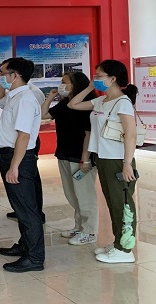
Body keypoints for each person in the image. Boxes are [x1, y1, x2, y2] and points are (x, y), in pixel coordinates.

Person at [68, 60, 139, 264]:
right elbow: (73, 104)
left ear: (113, 78)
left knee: (122, 204)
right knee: (112, 202)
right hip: (103, 158)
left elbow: (131, 135)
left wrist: (127, 163)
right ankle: (118, 243)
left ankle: (125, 249)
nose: (95, 79)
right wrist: (90, 87)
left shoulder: (122, 102)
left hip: (117, 160)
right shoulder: (101, 101)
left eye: (99, 76)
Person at [0, 58, 44, 272]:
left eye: (3, 73)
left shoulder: (25, 99)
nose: (0, 77)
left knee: (27, 210)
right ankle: (25, 245)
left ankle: (35, 258)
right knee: (20, 207)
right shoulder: (13, 96)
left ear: (15, 75)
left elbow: (24, 135)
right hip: (9, 155)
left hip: (19, 158)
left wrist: (14, 166)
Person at [42, 72, 98, 245]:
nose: (61, 85)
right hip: (64, 154)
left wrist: (85, 159)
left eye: (64, 82)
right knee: (72, 194)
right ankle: (79, 226)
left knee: (85, 195)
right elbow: (44, 114)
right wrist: (50, 97)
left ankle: (90, 231)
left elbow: (88, 134)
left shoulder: (87, 105)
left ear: (75, 84)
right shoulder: (64, 104)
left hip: (80, 157)